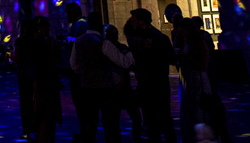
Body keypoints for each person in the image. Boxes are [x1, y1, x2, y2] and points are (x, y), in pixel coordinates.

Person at [71, 11, 131, 143]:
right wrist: (132, 53)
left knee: (89, 126)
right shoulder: (104, 43)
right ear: (100, 24)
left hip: (87, 88)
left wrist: (86, 72)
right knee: (111, 126)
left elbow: (73, 65)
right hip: (106, 89)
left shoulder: (79, 41)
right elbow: (123, 62)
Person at [125, 8, 177, 142]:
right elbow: (172, 59)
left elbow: (137, 59)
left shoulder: (144, 40)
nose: (132, 23)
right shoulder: (161, 37)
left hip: (148, 84)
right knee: (165, 118)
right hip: (161, 83)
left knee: (152, 120)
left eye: (134, 20)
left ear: (141, 22)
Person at [105, 25, 142, 143]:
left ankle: (135, 138)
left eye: (115, 34)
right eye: (112, 34)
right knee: (116, 120)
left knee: (135, 117)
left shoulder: (121, 47)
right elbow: (126, 62)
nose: (115, 36)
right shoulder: (110, 48)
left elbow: (129, 64)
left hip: (124, 88)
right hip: (116, 89)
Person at [32, 16, 63, 143]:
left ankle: (47, 137)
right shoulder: (38, 42)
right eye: (45, 26)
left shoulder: (48, 41)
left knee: (48, 114)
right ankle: (44, 137)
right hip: (43, 81)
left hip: (48, 81)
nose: (48, 29)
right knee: (44, 114)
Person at [63, 2, 89, 139]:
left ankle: (86, 132)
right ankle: (84, 130)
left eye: (67, 12)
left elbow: (80, 40)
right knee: (79, 102)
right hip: (75, 70)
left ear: (73, 11)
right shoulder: (78, 24)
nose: (66, 15)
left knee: (81, 102)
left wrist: (66, 39)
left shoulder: (81, 24)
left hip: (78, 71)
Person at [14, 19, 35, 138]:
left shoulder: (20, 41)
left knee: (25, 103)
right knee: (34, 102)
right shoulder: (35, 41)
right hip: (34, 74)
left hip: (23, 75)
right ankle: (35, 128)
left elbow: (16, 58)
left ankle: (26, 131)